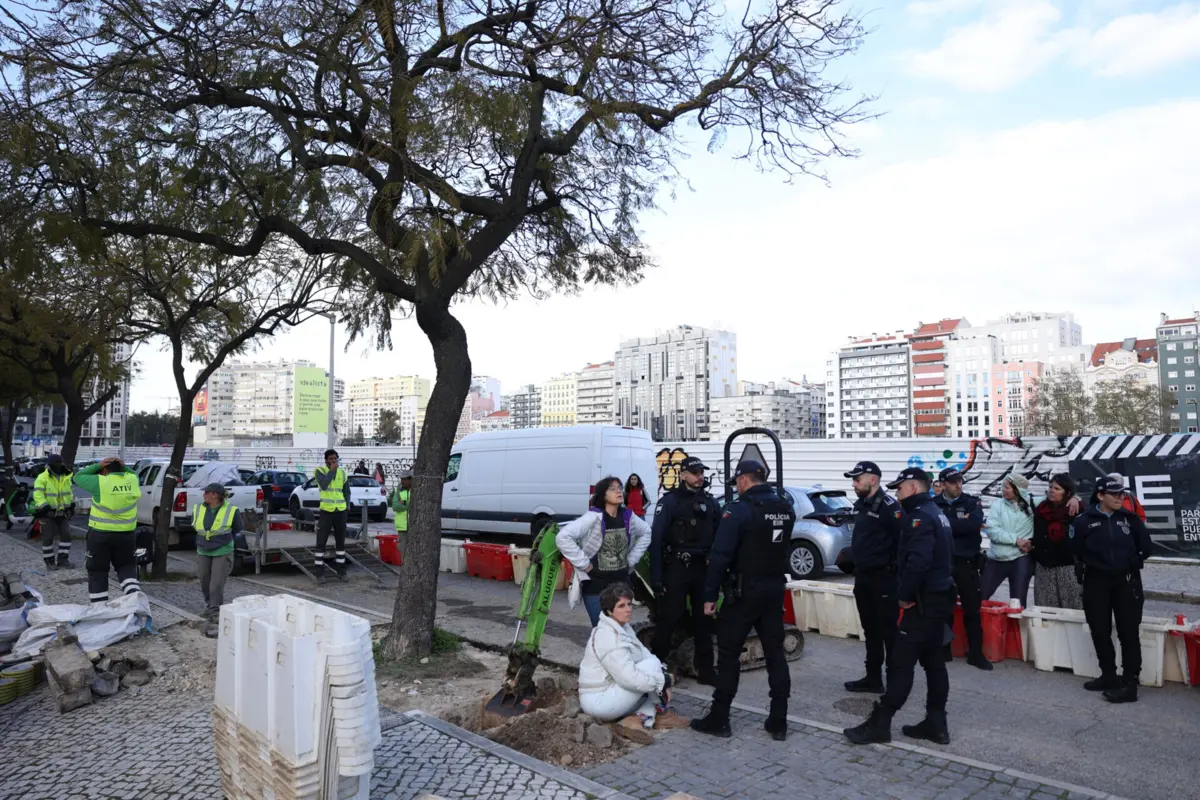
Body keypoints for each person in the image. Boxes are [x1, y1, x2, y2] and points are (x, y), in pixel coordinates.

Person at [844, 467, 955, 746]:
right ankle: (936, 722)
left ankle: (881, 722)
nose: (898, 493)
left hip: (923, 600)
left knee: (901, 663)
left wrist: (904, 594)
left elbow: (918, 562)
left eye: (901, 488)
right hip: (938, 598)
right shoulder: (935, 513)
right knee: (933, 662)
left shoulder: (920, 519)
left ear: (914, 488)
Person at [691, 460, 795, 741]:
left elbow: (720, 556)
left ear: (745, 480)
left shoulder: (738, 510)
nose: (736, 487)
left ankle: (720, 717)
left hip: (743, 593)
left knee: (728, 654)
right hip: (773, 590)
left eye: (737, 482)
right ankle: (778, 720)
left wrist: (710, 596)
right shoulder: (785, 508)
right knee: (775, 653)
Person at [1072, 475, 1153, 703]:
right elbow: (1076, 549)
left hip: (1126, 583)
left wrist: (1133, 562)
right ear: (1100, 496)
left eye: (1122, 494)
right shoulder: (1084, 521)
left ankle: (1130, 683)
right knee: (1099, 630)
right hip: (1096, 583)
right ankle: (1108, 675)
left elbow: (1146, 547)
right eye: (1114, 494)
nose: (1120, 498)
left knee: (1128, 632)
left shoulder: (1129, 519)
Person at [578, 583, 690, 737]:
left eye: (629, 604)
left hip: (610, 690)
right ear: (609, 611)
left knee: (651, 667)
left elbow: (645, 654)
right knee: (649, 672)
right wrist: (663, 682)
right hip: (599, 701)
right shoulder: (609, 637)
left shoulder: (623, 627)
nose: (628, 609)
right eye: (621, 606)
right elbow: (630, 680)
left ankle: (636, 719)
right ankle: (659, 715)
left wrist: (661, 680)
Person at [648, 456, 720, 685]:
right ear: (684, 475)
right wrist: (657, 577)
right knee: (670, 617)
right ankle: (653, 667)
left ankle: (706, 671)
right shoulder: (670, 502)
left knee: (704, 620)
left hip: (702, 569)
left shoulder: (710, 503)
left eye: (702, 473)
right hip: (677, 566)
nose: (700, 477)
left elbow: (720, 538)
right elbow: (656, 539)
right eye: (696, 473)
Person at [557, 477, 652, 627]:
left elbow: (646, 532)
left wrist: (632, 560)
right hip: (596, 586)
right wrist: (584, 564)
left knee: (621, 630)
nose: (618, 491)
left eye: (620, 488)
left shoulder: (628, 516)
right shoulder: (593, 517)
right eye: (612, 489)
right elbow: (563, 537)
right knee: (602, 629)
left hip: (622, 583)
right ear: (603, 495)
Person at [843, 461, 903, 693]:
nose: (854, 483)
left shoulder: (890, 507)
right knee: (870, 631)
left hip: (885, 579)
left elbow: (902, 544)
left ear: (873, 480)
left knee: (889, 633)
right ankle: (873, 678)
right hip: (864, 578)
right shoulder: (860, 505)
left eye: (858, 479)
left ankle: (896, 681)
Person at [933, 467, 990, 670]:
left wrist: (947, 524)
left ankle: (976, 654)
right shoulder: (934, 505)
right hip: (943, 565)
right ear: (943, 484)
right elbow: (934, 528)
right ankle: (943, 651)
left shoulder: (971, 502)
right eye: (953, 482)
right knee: (943, 610)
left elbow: (973, 526)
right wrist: (958, 523)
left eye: (960, 481)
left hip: (966, 563)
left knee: (972, 611)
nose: (958, 485)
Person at [73, 457, 142, 603]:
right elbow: (134, 474)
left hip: (100, 535)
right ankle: (134, 600)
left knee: (97, 571)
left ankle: (100, 609)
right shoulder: (132, 480)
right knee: (126, 567)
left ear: (105, 470)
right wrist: (124, 467)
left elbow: (77, 477)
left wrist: (98, 464)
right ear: (122, 469)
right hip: (126, 535)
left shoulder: (100, 481)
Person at [979, 474, 1034, 608]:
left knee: (1018, 603)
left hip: (1020, 559)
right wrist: (1016, 540)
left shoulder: (1032, 504)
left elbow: (1059, 500)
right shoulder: (997, 505)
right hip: (997, 559)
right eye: (1003, 486)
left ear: (1018, 489)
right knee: (980, 597)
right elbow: (991, 530)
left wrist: (1074, 498)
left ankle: (1017, 629)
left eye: (1007, 487)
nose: (1003, 490)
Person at [1031, 474, 1083, 610]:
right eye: (1050, 487)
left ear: (1067, 492)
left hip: (1067, 567)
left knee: (1071, 607)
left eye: (1057, 488)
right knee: (1046, 608)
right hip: (1044, 566)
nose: (1051, 490)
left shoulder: (1076, 509)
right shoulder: (1041, 508)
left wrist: (1075, 499)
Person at [194, 482, 243, 619]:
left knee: (216, 583)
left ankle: (215, 611)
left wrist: (224, 539)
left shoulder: (232, 510)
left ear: (214, 495)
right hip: (203, 549)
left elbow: (238, 527)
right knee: (204, 579)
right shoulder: (199, 508)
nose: (203, 495)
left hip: (222, 550)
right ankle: (210, 605)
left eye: (206, 492)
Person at [313, 449, 351, 582]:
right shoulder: (320, 471)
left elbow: (347, 492)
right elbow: (323, 485)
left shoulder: (343, 473)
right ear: (326, 460)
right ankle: (319, 573)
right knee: (321, 542)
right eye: (330, 459)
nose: (333, 461)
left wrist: (347, 505)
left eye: (335, 459)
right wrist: (332, 471)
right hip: (326, 512)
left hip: (340, 511)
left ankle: (341, 571)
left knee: (341, 543)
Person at [33, 454, 76, 569]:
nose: (58, 466)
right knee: (48, 538)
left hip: (62, 513)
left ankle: (63, 560)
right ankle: (50, 562)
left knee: (66, 535)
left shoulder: (65, 477)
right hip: (47, 513)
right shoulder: (42, 478)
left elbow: (69, 493)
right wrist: (45, 506)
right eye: (55, 464)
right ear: (49, 465)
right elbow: (38, 494)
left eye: (59, 463)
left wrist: (71, 505)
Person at [389, 471, 412, 547]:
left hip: (414, 526)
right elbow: (395, 506)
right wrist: (409, 504)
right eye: (401, 479)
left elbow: (416, 504)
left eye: (404, 479)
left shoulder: (417, 490)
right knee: (402, 550)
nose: (401, 481)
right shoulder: (398, 491)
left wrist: (404, 502)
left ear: (410, 480)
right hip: (402, 527)